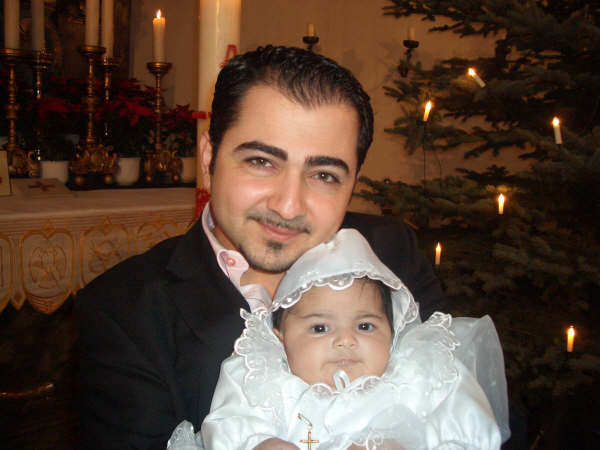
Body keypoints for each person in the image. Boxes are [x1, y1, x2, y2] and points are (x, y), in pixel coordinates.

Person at [77, 46, 446, 449]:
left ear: (353, 182)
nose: (288, 206)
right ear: (209, 157)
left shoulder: (390, 254)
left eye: (324, 175)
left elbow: (463, 405)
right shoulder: (124, 313)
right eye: (261, 162)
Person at [167, 229, 510, 449]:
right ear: (280, 338)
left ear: (393, 332)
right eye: (320, 328)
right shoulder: (265, 382)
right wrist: (261, 444)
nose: (346, 340)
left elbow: (472, 433)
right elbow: (229, 424)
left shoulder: (419, 378)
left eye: (365, 326)